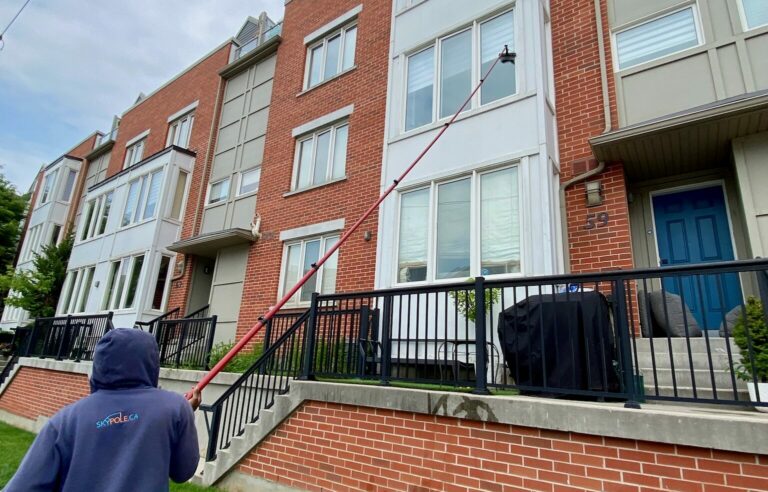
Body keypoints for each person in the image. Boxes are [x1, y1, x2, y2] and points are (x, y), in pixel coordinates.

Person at [4, 328, 202, 492]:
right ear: (151, 362)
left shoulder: (65, 420)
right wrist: (185, 413)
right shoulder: (175, 407)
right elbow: (182, 472)